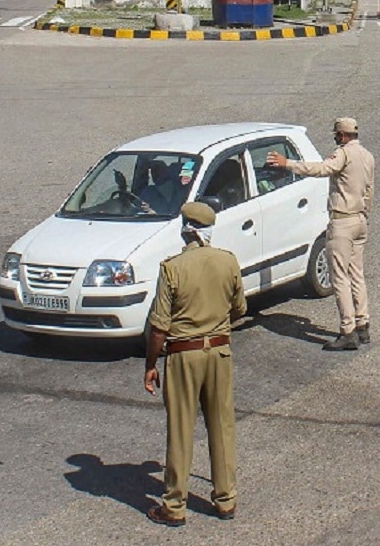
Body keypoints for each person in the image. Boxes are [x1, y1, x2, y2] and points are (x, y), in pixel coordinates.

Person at [144, 202, 247, 527]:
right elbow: (239, 308)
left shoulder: (172, 268)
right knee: (222, 426)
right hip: (219, 351)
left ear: (185, 230)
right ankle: (226, 499)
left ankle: (174, 505)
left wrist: (150, 364)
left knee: (180, 429)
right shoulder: (228, 261)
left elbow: (159, 327)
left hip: (183, 354)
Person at [267, 117, 375, 350]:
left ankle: (348, 331)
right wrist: (364, 214)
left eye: (336, 135)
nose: (335, 138)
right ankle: (363, 324)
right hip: (359, 220)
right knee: (357, 274)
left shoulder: (343, 154)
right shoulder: (367, 156)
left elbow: (322, 169)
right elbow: (369, 190)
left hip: (342, 221)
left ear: (343, 135)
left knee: (339, 278)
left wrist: (288, 164)